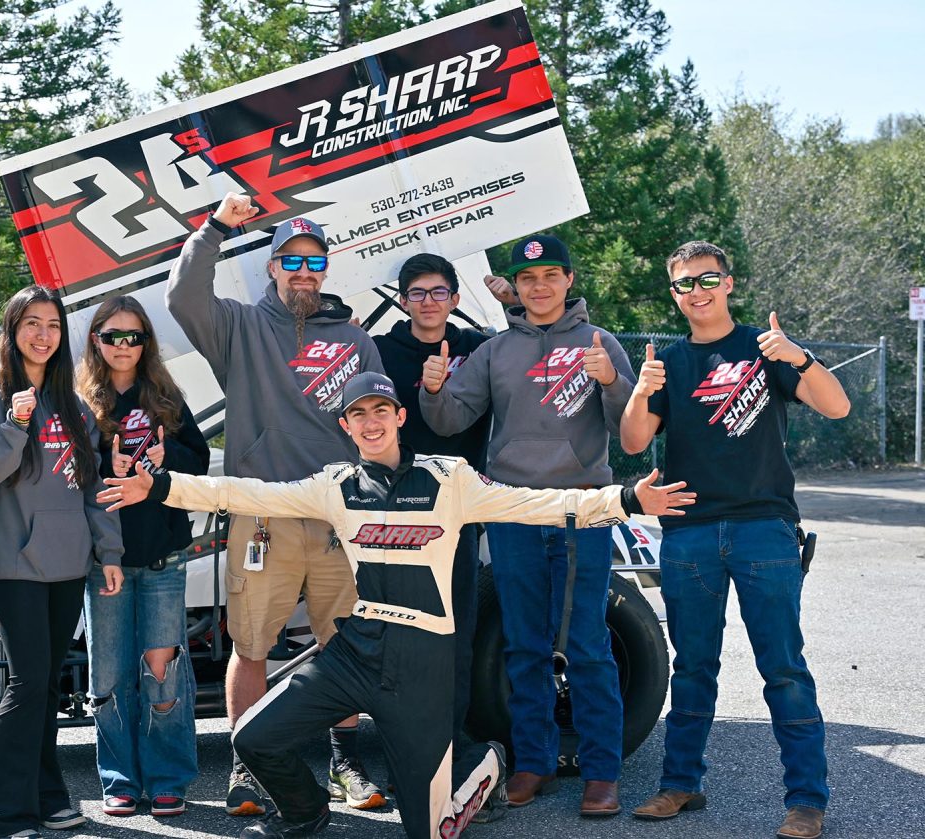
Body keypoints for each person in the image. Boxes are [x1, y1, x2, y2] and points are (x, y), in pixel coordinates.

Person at [96, 372, 696, 839]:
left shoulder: (451, 478)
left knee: (424, 830)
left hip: (422, 660)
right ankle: (306, 818)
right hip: (356, 648)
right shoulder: (333, 485)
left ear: (399, 416)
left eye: (380, 410)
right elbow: (246, 491)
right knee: (253, 736)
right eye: (358, 415)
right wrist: (162, 484)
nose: (371, 422)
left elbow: (535, 504)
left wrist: (626, 498)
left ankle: (481, 763)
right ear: (346, 426)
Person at [620, 241, 850, 839]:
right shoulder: (667, 362)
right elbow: (632, 441)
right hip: (690, 535)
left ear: (729, 284)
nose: (696, 292)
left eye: (707, 280)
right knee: (693, 667)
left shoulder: (764, 348)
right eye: (683, 284)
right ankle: (679, 786)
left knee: (784, 669)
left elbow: (838, 406)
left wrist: (797, 357)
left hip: (763, 530)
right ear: (673, 294)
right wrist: (642, 390)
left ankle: (805, 801)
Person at [167, 192, 386, 814]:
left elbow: (378, 428)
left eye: (314, 263)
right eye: (291, 262)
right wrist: (213, 228)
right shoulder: (237, 326)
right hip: (262, 516)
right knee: (252, 646)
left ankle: (346, 762)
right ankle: (248, 763)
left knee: (343, 645)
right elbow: (182, 296)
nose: (303, 272)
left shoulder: (353, 340)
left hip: (338, 520)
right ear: (271, 267)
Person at [419, 233, 636, 817]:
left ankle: (601, 772)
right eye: (528, 279)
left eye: (550, 276)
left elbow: (633, 427)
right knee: (524, 645)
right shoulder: (495, 350)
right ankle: (534, 762)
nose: (539, 287)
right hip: (511, 509)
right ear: (514, 286)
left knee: (587, 643)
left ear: (568, 280)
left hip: (580, 507)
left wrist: (611, 382)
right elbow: (449, 419)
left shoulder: (600, 342)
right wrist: (433, 389)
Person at [0, 285, 125, 839]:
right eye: (32, 323)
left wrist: (107, 551)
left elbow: (91, 485)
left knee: (46, 684)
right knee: (27, 683)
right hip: (12, 562)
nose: (42, 334)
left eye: (53, 325)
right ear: (12, 330)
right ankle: (3, 813)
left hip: (67, 562)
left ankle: (48, 794)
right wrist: (15, 425)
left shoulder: (73, 403)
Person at [76, 295, 210, 818]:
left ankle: (169, 777)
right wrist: (97, 463)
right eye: (113, 335)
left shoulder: (166, 397)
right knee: (108, 675)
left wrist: (165, 458)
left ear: (146, 342)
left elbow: (197, 463)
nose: (123, 345)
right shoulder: (81, 401)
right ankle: (119, 779)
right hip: (103, 560)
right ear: (96, 340)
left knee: (163, 672)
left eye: (134, 336)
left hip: (161, 559)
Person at [371, 253, 491, 743]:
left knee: (456, 634)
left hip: (457, 510)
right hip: (394, 509)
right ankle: (403, 745)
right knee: (400, 635)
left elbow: (534, 347)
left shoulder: (478, 348)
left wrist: (511, 302)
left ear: (455, 299)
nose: (428, 302)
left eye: (438, 292)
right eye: (417, 293)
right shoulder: (379, 349)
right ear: (403, 301)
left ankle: (453, 742)